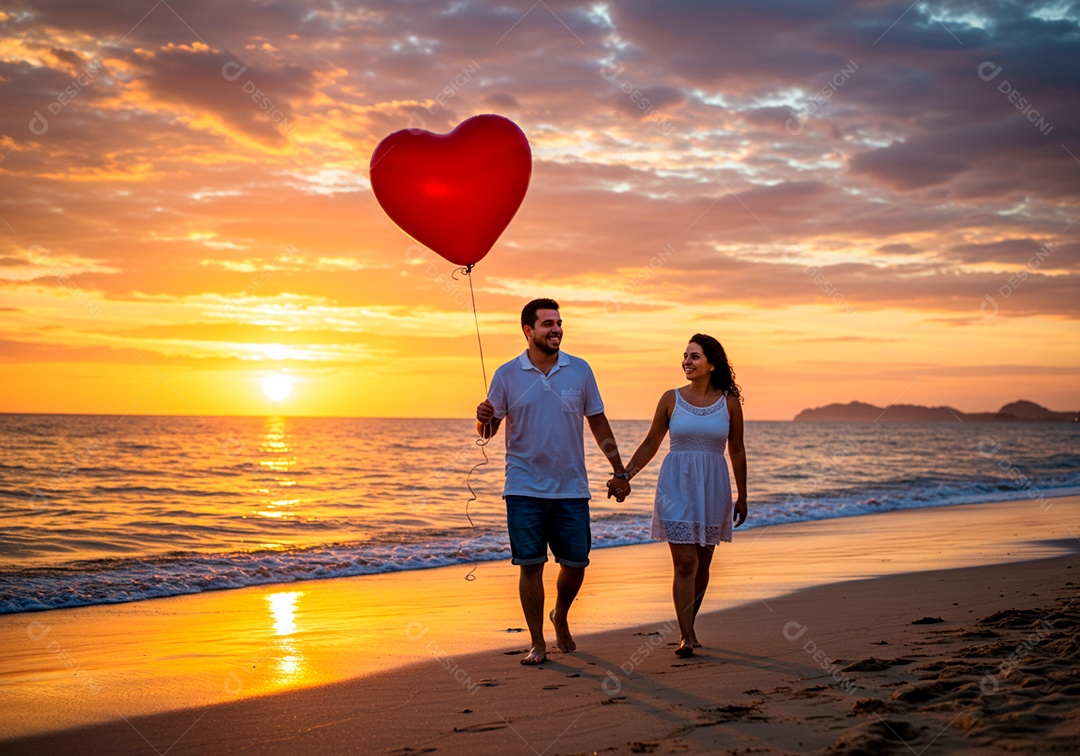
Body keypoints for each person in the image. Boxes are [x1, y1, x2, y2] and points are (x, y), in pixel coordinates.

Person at [476, 298, 631, 665]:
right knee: (530, 565)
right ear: (528, 331)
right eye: (548, 324)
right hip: (523, 487)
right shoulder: (506, 374)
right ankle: (537, 643)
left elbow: (597, 421)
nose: (556, 329)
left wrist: (619, 470)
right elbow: (488, 431)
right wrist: (483, 418)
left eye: (559, 323)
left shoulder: (580, 370)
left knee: (576, 564)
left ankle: (560, 615)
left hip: (571, 487)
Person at [619, 334, 747, 657]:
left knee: (702, 564)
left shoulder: (729, 403)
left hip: (713, 487)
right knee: (686, 563)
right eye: (685, 356)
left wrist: (743, 495)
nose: (686, 362)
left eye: (694, 356)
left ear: (712, 364)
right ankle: (687, 636)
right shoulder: (670, 399)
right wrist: (625, 476)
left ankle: (688, 625)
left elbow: (737, 450)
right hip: (676, 486)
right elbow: (651, 443)